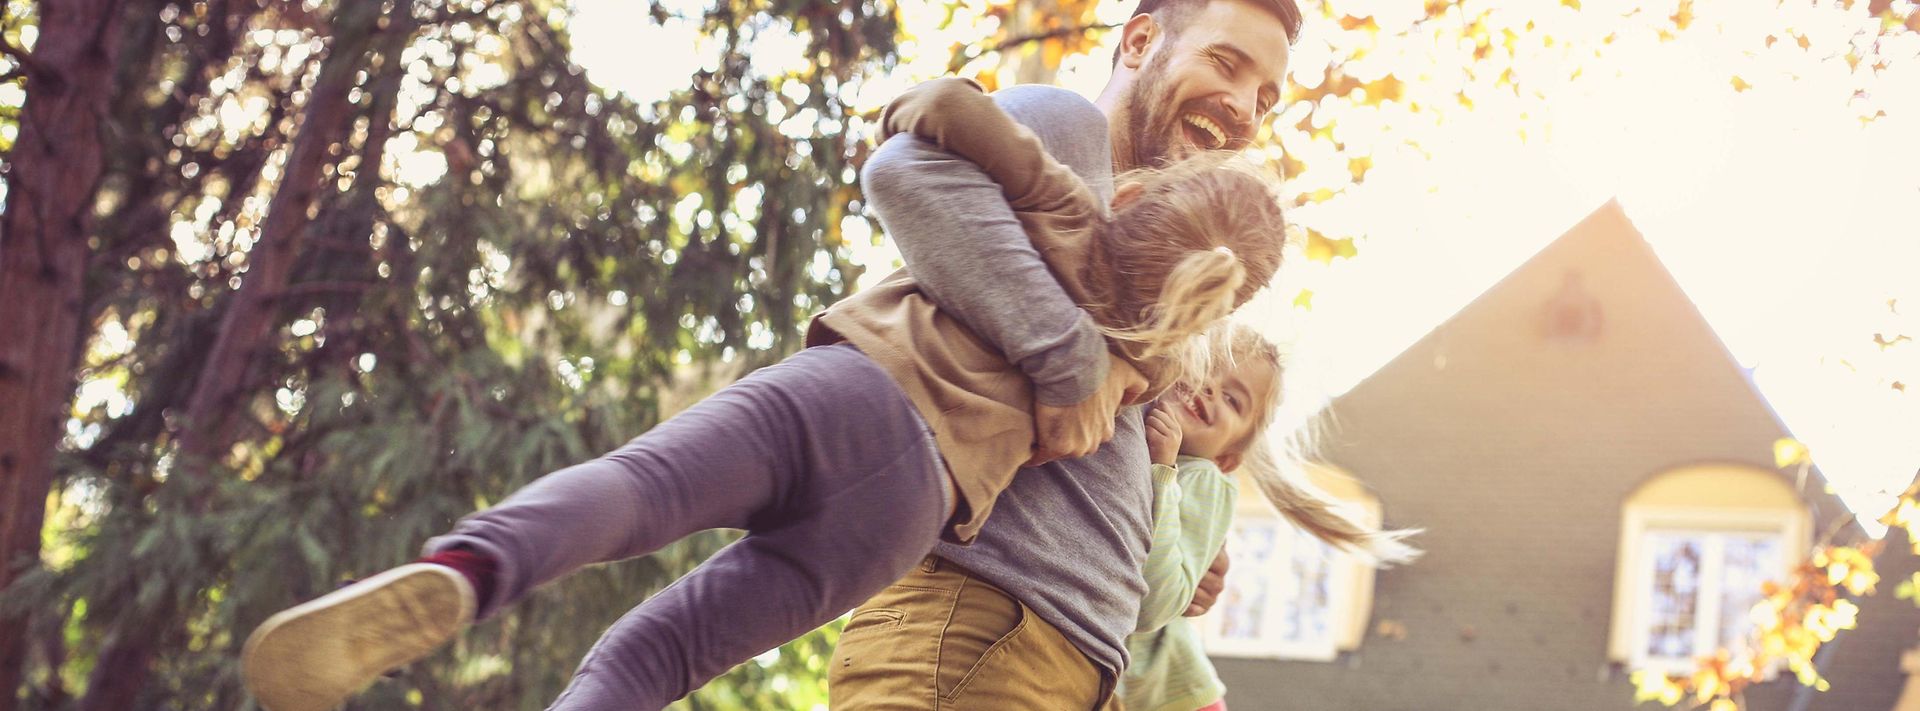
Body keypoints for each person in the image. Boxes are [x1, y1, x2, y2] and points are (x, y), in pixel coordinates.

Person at [237, 74, 1291, 711]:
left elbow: (936, 118)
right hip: (906, 516)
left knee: (639, 492)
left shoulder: (1069, 201)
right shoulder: (1138, 366)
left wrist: (943, 113)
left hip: (857, 399)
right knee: (663, 650)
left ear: (1140, 192)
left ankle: (474, 567)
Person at [827, 0, 1306, 708]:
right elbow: (905, 169)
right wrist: (1069, 366)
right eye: (1225, 64)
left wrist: (1175, 535)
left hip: (1083, 660)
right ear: (1140, 40)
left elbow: (1121, 419)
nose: (1243, 108)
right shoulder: (1071, 132)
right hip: (980, 621)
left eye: (1264, 98)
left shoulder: (1171, 243)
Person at [1121, 325, 1419, 711]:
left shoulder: (1201, 477)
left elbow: (1154, 601)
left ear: (1226, 459)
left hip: (1176, 699)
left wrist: (1163, 470)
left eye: (1232, 399)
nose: (1209, 387)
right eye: (1203, 365)